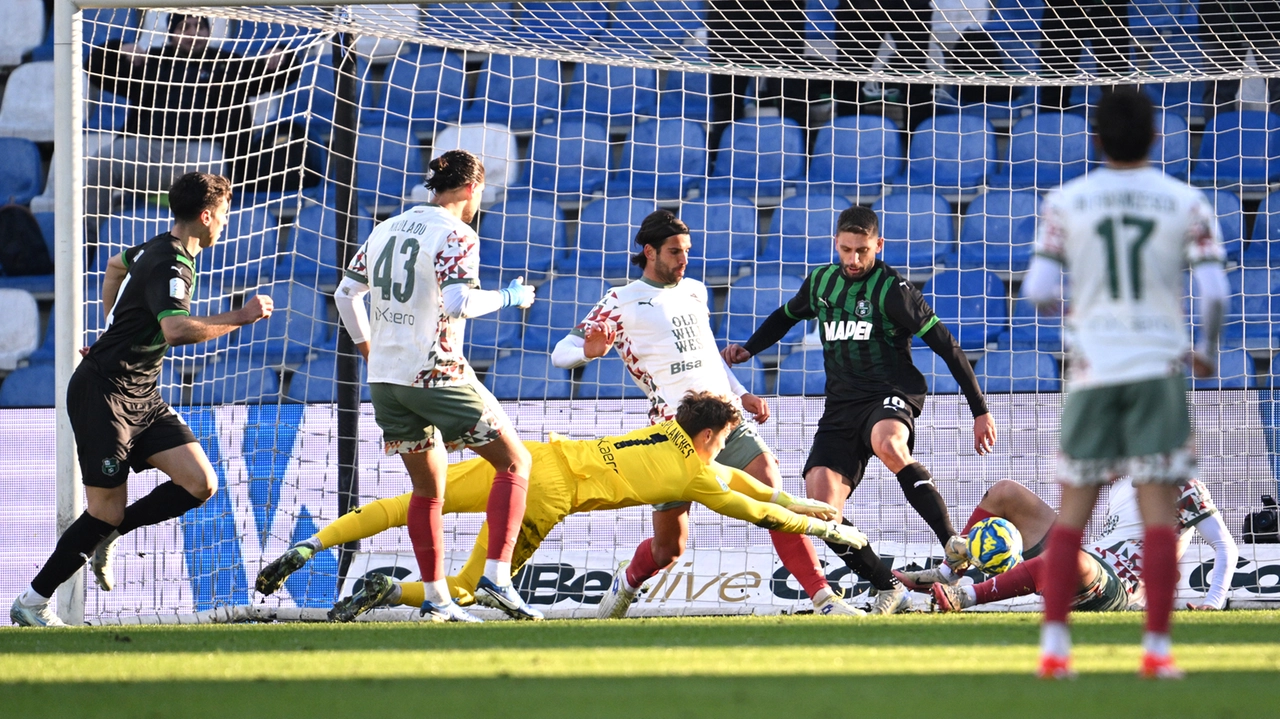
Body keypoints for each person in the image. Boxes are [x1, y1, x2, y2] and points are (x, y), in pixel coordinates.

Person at [255, 392, 869, 621]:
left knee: (416, 498)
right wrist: (837, 533)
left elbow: (761, 491)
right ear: (711, 438)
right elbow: (760, 511)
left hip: (534, 457)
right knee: (470, 587)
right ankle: (393, 592)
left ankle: (313, 544)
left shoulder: (668, 433)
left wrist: (806, 505)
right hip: (553, 496)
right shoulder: (698, 473)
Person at [551, 210, 862, 619]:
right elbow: (560, 353)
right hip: (674, 432)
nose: (683, 260)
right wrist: (589, 352)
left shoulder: (695, 291)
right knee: (669, 548)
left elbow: (707, 357)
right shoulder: (619, 300)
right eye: (675, 252)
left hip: (726, 419)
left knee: (771, 484)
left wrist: (743, 392)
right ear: (649, 252)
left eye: (687, 252)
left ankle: (824, 599)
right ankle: (627, 584)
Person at [1021, 89, 1229, 679]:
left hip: (1093, 374)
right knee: (1161, 514)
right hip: (1156, 372)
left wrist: (1082, 316)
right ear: (1158, 137)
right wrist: (1206, 351)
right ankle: (1157, 651)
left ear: (1096, 140)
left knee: (1072, 515)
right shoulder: (1183, 200)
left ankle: (1056, 650)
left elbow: (1037, 290)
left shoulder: (1067, 200)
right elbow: (1214, 291)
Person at [10, 172, 274, 627]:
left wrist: (111, 323)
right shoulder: (171, 264)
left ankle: (111, 531)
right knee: (103, 510)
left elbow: (115, 266)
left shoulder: (155, 247)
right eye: (226, 215)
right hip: (103, 394)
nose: (226, 225)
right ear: (206, 215)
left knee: (200, 483)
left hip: (141, 393)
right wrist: (243, 316)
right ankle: (32, 602)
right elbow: (175, 329)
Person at [723, 205, 998, 615]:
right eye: (846, 249)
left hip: (891, 391)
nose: (853, 260)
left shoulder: (894, 290)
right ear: (836, 243)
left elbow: (947, 345)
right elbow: (786, 316)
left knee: (888, 442)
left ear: (878, 246)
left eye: (862, 251)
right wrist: (750, 347)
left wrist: (980, 410)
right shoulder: (821, 282)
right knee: (823, 510)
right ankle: (889, 587)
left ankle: (951, 543)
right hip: (841, 406)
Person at [332, 149, 541, 623]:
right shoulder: (456, 233)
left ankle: (437, 600)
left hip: (386, 380)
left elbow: (346, 295)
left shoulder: (386, 227)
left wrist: (369, 350)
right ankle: (497, 576)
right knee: (515, 461)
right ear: (472, 189)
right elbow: (459, 302)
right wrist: (512, 296)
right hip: (435, 373)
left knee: (428, 490)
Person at [85, 14, 301, 232]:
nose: (192, 33)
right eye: (183, 27)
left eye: (198, 27)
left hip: (199, 155)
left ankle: (199, 240)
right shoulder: (151, 62)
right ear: (171, 35)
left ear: (208, 32)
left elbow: (285, 73)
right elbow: (93, 66)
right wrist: (120, 47)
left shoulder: (229, 64)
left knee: (210, 165)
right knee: (101, 162)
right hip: (148, 152)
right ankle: (90, 238)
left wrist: (280, 52)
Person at [900, 478, 1239, 614]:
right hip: (1083, 567)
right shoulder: (1123, 485)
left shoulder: (1182, 484)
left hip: (1116, 590)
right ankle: (948, 573)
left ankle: (966, 597)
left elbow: (1226, 546)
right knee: (1006, 492)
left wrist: (1214, 601)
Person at [1197, 0, 1280, 118]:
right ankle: (1219, 135)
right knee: (1218, 92)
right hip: (1218, 21)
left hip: (1270, 18)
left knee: (1278, 86)